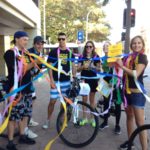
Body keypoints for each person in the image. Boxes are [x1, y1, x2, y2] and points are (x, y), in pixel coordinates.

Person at [4, 31, 41, 150]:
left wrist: (37, 67)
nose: (26, 42)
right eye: (24, 39)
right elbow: (19, 69)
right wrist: (35, 62)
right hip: (16, 91)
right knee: (13, 117)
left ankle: (22, 135)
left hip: (27, 89)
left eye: (27, 39)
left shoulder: (26, 53)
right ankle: (10, 142)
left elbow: (30, 70)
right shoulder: (10, 53)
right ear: (17, 39)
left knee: (25, 115)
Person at [116, 36, 148, 150]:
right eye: (134, 43)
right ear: (131, 45)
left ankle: (145, 148)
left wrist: (122, 66)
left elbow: (136, 74)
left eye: (139, 43)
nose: (136, 45)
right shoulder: (128, 57)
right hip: (126, 92)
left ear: (142, 44)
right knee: (129, 117)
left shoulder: (143, 57)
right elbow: (115, 67)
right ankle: (130, 143)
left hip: (137, 94)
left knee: (140, 124)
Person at [42, 32, 76, 129]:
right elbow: (49, 67)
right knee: (52, 101)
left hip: (66, 82)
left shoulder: (70, 53)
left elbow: (73, 66)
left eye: (63, 39)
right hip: (56, 81)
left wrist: (74, 78)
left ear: (66, 39)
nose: (61, 41)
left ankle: (62, 119)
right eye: (59, 39)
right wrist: (51, 80)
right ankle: (48, 120)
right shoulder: (53, 52)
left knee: (63, 102)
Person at [22, 36, 45, 139]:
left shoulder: (39, 53)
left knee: (32, 100)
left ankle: (28, 120)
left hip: (30, 81)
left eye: (42, 44)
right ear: (34, 44)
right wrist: (36, 62)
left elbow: (38, 69)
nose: (40, 45)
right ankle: (25, 129)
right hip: (24, 83)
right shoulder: (29, 53)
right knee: (26, 105)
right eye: (38, 44)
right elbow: (25, 68)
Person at [99, 42, 122, 135]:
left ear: (111, 47)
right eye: (104, 46)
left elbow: (120, 72)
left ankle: (117, 125)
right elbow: (103, 71)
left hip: (116, 83)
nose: (105, 47)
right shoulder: (103, 58)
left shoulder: (117, 57)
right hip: (105, 82)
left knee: (117, 104)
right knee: (105, 102)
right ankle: (105, 122)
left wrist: (114, 84)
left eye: (107, 46)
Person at [77, 41, 101, 127]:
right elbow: (77, 69)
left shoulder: (96, 56)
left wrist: (92, 67)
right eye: (87, 47)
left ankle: (91, 118)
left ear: (93, 47)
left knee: (92, 100)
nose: (88, 48)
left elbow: (99, 69)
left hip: (93, 80)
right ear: (85, 47)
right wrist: (83, 67)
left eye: (90, 47)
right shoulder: (81, 56)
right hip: (84, 80)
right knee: (84, 99)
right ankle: (84, 118)